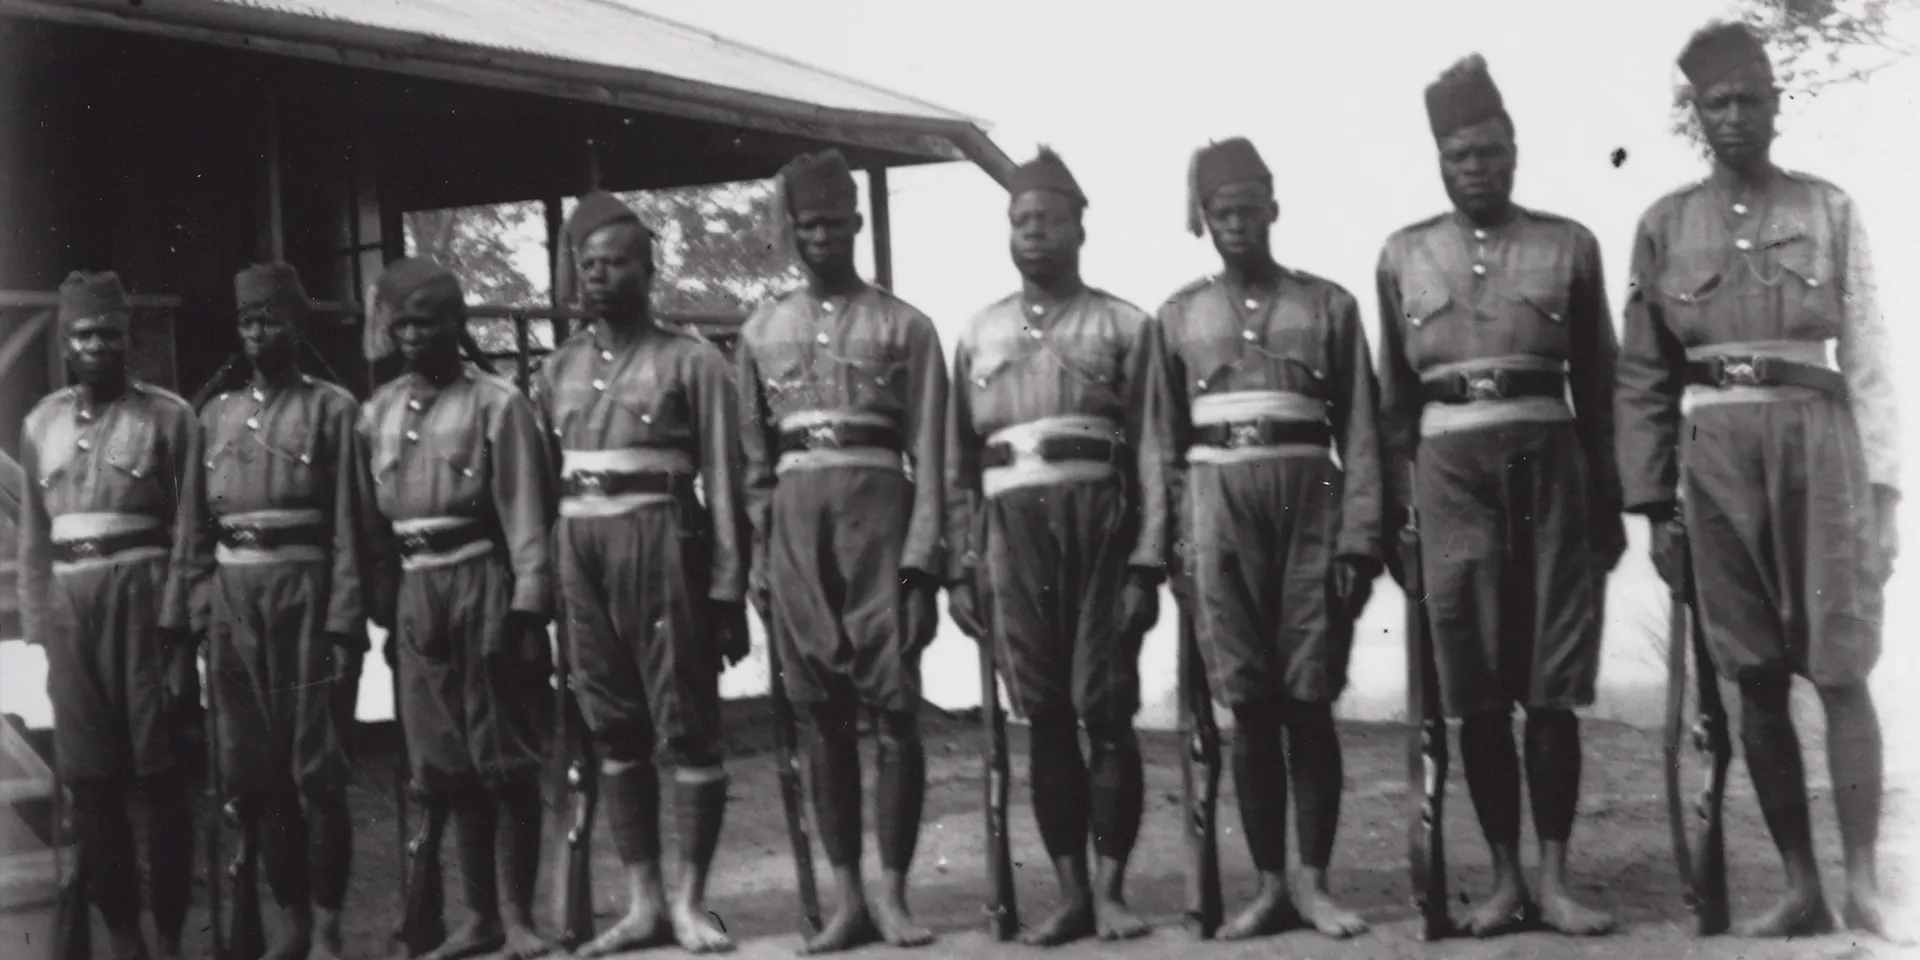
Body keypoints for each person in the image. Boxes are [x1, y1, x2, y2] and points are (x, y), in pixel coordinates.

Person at [1617, 21, 1901, 941]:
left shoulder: (1830, 209)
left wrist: (1888, 493)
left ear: (1776, 105)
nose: (1734, 117)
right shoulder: (1663, 225)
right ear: (1696, 116)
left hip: (1820, 454)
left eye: (1748, 99)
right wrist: (1656, 507)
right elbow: (1645, 378)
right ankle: (1798, 883)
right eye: (1716, 104)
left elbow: (1869, 358)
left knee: (1843, 669)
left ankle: (1862, 881)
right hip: (1716, 465)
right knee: (1754, 680)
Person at [1375, 55, 1625, 937]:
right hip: (1448, 478)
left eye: (1488, 150)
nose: (1474, 167)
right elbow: (1392, 407)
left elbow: (1599, 386)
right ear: (1439, 160)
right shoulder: (1404, 254)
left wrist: (1608, 505)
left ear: (1513, 150)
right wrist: (1399, 521)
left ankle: (1556, 879)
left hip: (1550, 466)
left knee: (1550, 684)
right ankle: (1505, 880)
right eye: (1457, 154)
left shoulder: (1569, 245)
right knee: (1476, 688)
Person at [945, 148, 1170, 946]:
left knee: (1104, 709)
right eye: (1019, 221)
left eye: (1047, 219)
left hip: (1100, 526)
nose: (1032, 233)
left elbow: (1151, 451)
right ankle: (1069, 892)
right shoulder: (978, 333)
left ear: (1080, 226)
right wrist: (960, 567)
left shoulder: (1125, 326)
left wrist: (1148, 561)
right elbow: (957, 467)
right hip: (1011, 533)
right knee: (1042, 714)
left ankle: (1112, 891)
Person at [1158, 137, 1382, 941]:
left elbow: (1360, 431)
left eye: (1250, 210)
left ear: (1273, 208)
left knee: (1309, 699)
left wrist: (1359, 540)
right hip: (1218, 513)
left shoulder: (1328, 306)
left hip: (1310, 503)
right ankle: (1267, 887)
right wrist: (1171, 547)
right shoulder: (1180, 315)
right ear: (1205, 220)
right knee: (1250, 707)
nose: (1237, 225)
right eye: (1222, 213)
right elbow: (1162, 444)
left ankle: (1316, 885)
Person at [735, 151, 946, 953]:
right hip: (797, 530)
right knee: (819, 713)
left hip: (881, 524)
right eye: (805, 223)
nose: (819, 235)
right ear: (790, 230)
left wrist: (924, 563)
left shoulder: (906, 326)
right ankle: (847, 897)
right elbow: (752, 468)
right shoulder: (759, 332)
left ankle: (893, 895)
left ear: (857, 223)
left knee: (895, 711)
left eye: (833, 221)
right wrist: (762, 558)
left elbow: (933, 459)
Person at [530, 191, 750, 956]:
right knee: (613, 728)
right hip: (580, 553)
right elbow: (539, 485)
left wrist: (727, 589)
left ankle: (690, 904)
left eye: (615, 263)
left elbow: (723, 481)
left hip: (663, 545)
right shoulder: (554, 370)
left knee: (686, 726)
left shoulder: (690, 362)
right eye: (587, 265)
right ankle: (642, 903)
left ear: (648, 269)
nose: (598, 277)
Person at [174, 263, 373, 960]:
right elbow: (194, 532)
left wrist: (347, 621)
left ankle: (325, 929)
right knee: (255, 777)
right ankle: (288, 924)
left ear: (298, 324)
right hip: (234, 601)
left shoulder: (334, 410)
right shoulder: (213, 415)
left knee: (316, 774)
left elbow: (353, 526)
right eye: (248, 321)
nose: (259, 333)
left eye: (272, 320)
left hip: (307, 595)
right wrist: (201, 615)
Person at [361, 257, 557, 960]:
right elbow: (372, 528)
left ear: (458, 323)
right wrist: (386, 606)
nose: (414, 335)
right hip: (419, 592)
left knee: (504, 758)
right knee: (446, 767)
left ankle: (522, 919)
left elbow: (526, 516)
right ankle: (478, 921)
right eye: (402, 323)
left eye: (429, 321)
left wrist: (529, 609)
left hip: (482, 582)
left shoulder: (497, 404)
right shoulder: (375, 413)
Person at [20, 270, 199, 960]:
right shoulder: (42, 422)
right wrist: (39, 624)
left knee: (159, 777)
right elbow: (35, 536)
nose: (97, 345)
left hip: (144, 600)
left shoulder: (168, 417)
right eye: (84, 334)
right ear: (66, 342)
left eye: (110, 334)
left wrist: (178, 617)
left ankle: (173, 936)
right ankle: (125, 939)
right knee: (90, 780)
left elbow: (190, 526)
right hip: (69, 611)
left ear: (129, 341)